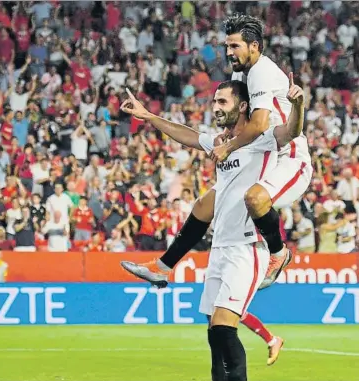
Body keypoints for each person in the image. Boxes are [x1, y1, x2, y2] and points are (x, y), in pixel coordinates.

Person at [121, 79, 305, 379]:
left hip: (247, 247)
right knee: (214, 335)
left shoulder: (260, 138)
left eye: (223, 102)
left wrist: (298, 105)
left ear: (243, 105)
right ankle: (164, 266)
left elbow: (292, 131)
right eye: (215, 101)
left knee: (223, 327)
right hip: (220, 246)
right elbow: (188, 136)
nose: (216, 107)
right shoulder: (220, 141)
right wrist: (150, 116)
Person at [121, 14, 312, 289]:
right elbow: (196, 135)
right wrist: (149, 116)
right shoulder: (240, 73)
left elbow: (259, 124)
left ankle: (278, 253)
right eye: (227, 46)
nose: (229, 52)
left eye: (235, 46)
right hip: (257, 149)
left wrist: (228, 146)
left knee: (256, 198)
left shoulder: (262, 72)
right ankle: (163, 268)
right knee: (203, 205)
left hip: (287, 154)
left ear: (255, 46)